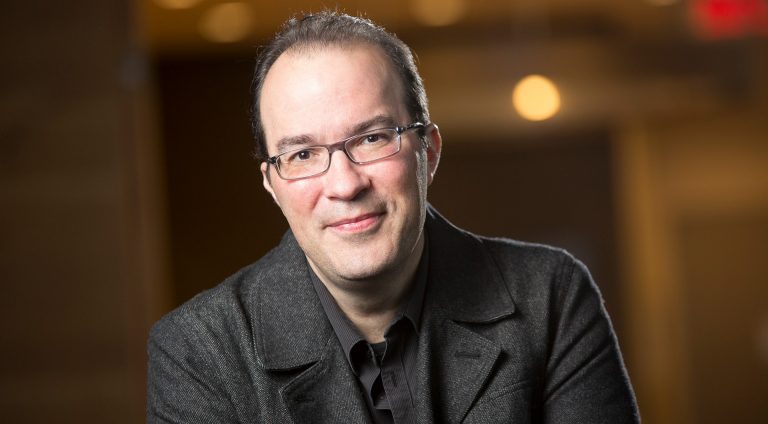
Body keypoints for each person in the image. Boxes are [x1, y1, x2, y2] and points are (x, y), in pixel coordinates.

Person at [147, 11, 639, 424]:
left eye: (373, 138)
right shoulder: (197, 353)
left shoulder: (550, 298)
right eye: (301, 155)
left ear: (429, 151)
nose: (344, 185)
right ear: (271, 185)